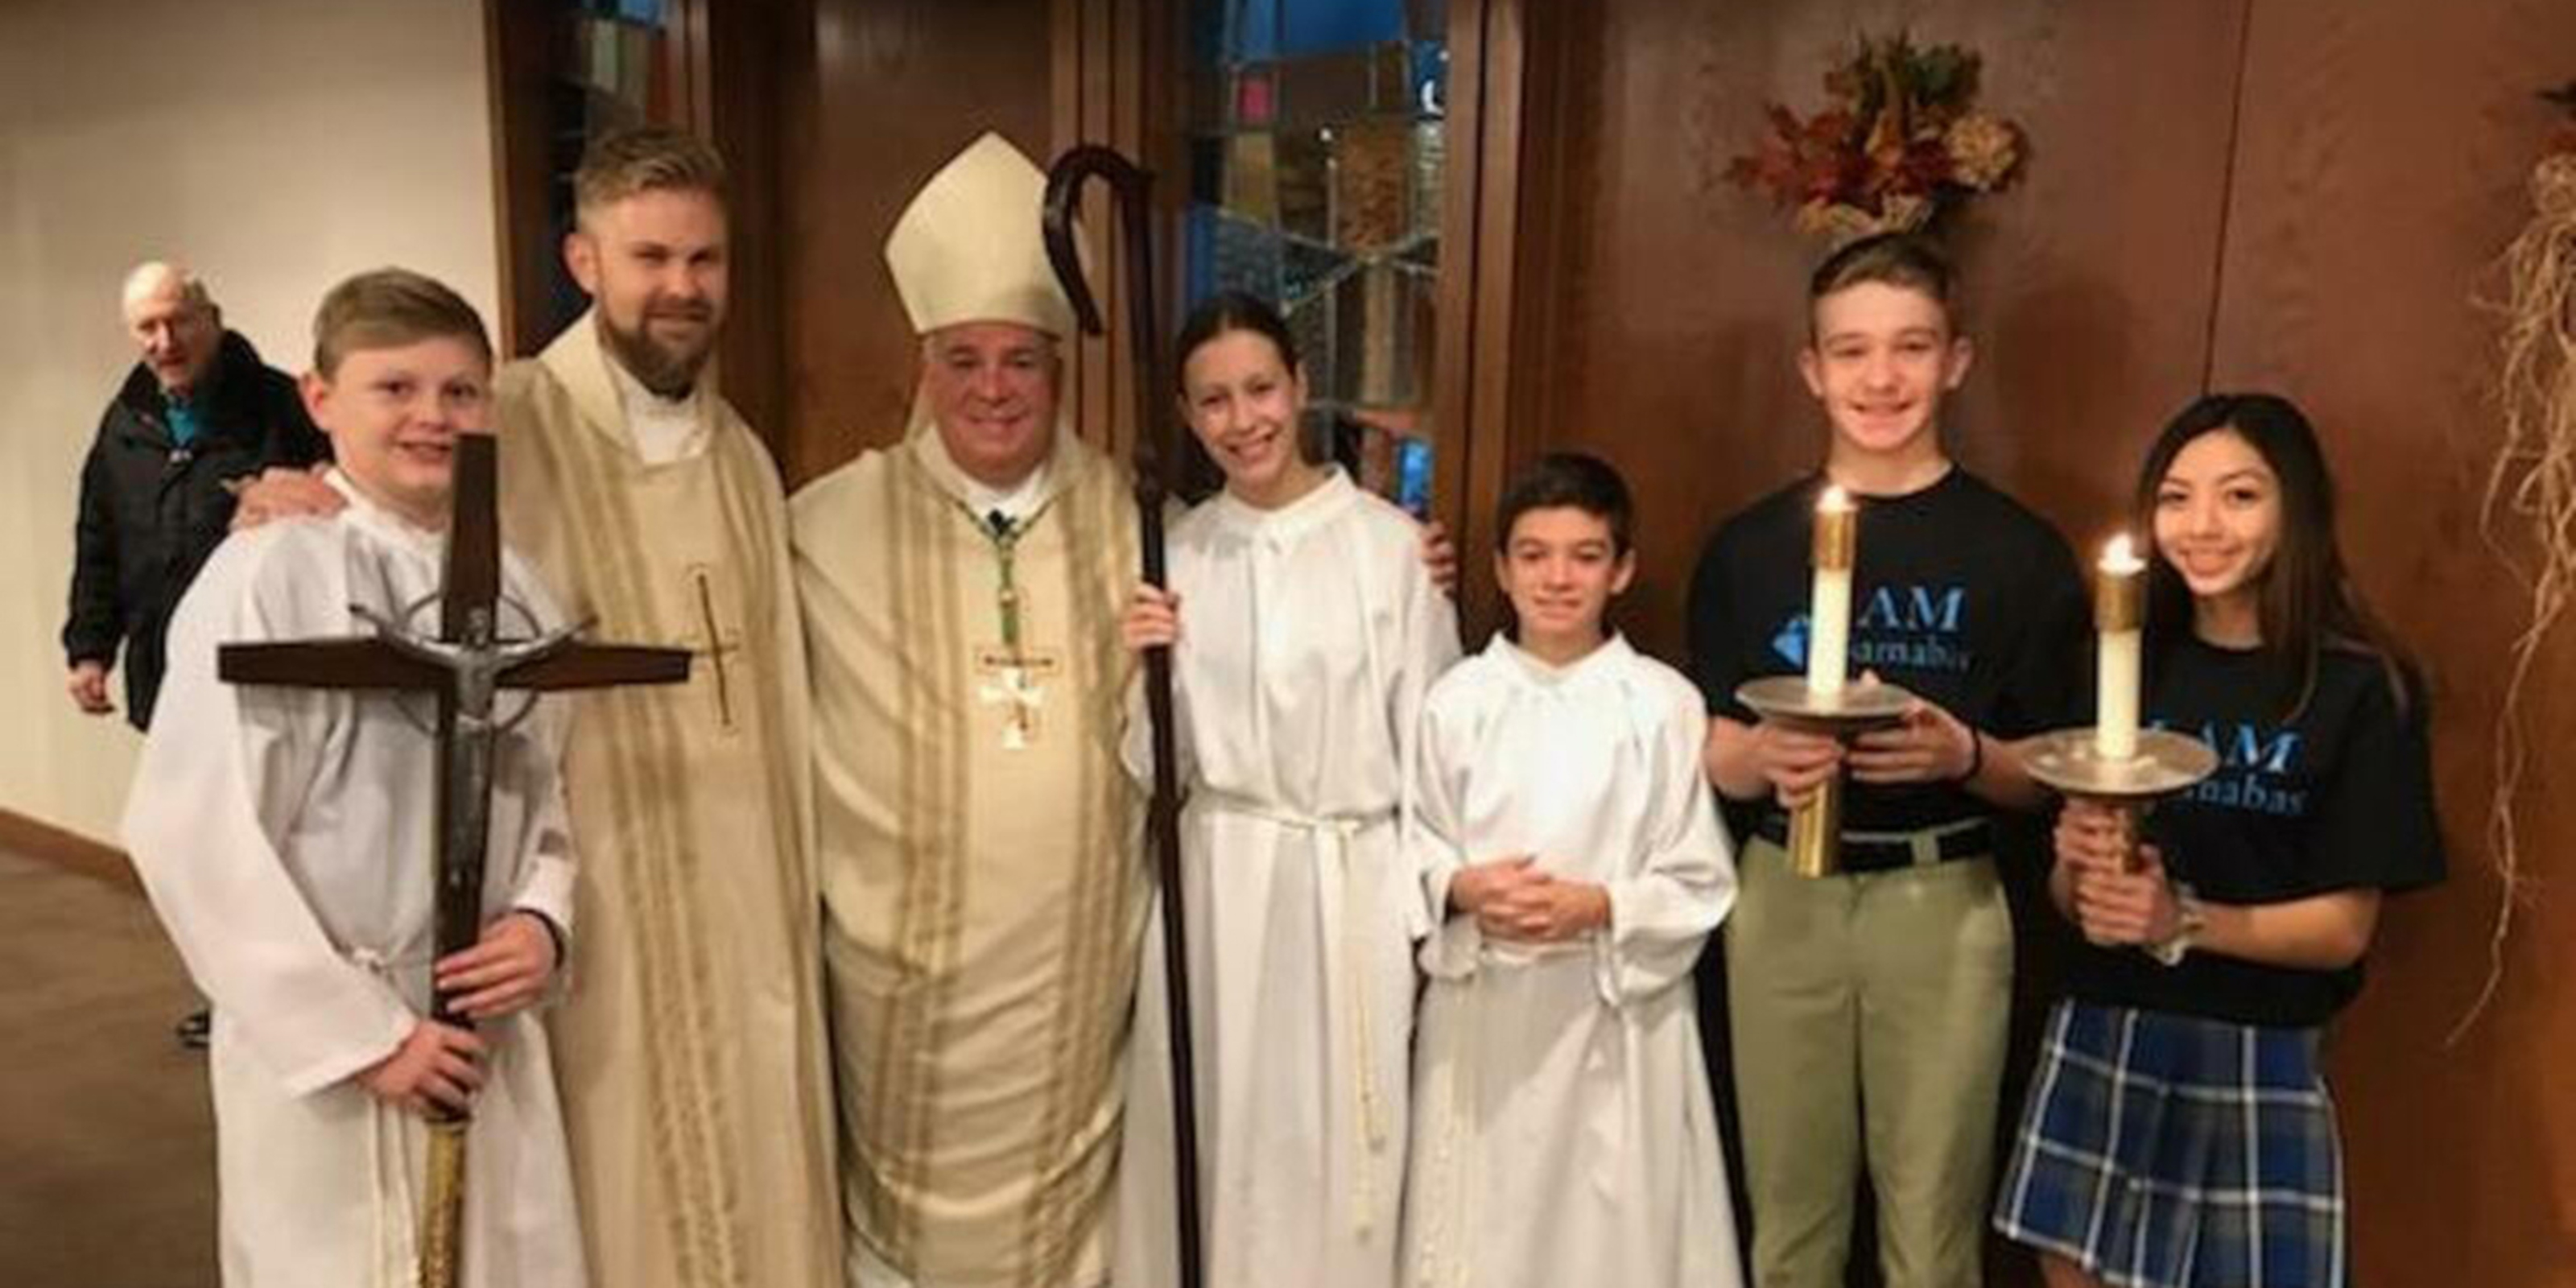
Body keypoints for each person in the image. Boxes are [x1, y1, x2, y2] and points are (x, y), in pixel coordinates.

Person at [229, 126, 841, 1288]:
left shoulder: (745, 457)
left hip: (745, 889)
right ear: (583, 260)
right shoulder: (500, 420)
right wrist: (281, 494)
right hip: (583, 902)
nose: (681, 286)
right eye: (650, 256)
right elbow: (382, 515)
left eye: (705, 259)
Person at [120, 268, 583, 1286]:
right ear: (320, 398)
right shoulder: (270, 573)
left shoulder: (518, 587)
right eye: (396, 388)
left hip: (485, 1027)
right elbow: (195, 835)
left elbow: (546, 794)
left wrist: (540, 923)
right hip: (336, 1044)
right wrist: (364, 1039)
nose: (433, 416)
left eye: (460, 391)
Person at [1686, 231, 2087, 1288]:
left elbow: (2055, 770)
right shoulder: (1747, 548)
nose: (1880, 379)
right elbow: (1709, 744)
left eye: (1910, 347)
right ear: (1811, 369)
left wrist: (1965, 753)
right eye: (1851, 351)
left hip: (1941, 899)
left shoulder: (2018, 553)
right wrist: (1764, 754)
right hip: (1781, 894)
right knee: (1789, 1224)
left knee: (1932, 1230)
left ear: (1956, 360)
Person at [1992, 393, 2444, 1288]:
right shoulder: (2119, 662)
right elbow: (2069, 901)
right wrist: (2079, 869)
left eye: (2239, 496)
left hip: (2256, 1044)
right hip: (2107, 1025)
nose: (2201, 526)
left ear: (2295, 508)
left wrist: (2183, 920)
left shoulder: (2357, 688)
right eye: (2175, 497)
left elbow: (2343, 930)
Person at [1112, 291, 1461, 1288]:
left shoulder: (1389, 548)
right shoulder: (1178, 554)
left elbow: (1434, 750)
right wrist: (1143, 666)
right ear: (1187, 416)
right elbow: (1153, 767)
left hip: (1347, 884)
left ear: (1301, 387)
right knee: (1212, 1129)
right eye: (1213, 400)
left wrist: (1423, 915)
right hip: (1217, 881)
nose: (1243, 420)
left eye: (1259, 388)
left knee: (1334, 1146)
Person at [1401, 452, 1741, 1288]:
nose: (1557, 579)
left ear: (1621, 569)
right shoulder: (1455, 700)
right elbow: (1413, 842)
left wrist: (1600, 905)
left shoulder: (1661, 704)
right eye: (1534, 555)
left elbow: (1698, 876)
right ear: (1500, 569)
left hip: (1611, 1017)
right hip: (1484, 1012)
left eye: (1585, 556)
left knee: (1604, 1236)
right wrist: (1460, 887)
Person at [65, 262, 325, 733]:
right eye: (148, 327)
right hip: (161, 671)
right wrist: (90, 652)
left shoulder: (283, 406)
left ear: (214, 320)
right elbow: (98, 543)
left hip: (263, 673)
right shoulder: (123, 425)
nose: (165, 342)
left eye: (180, 321)